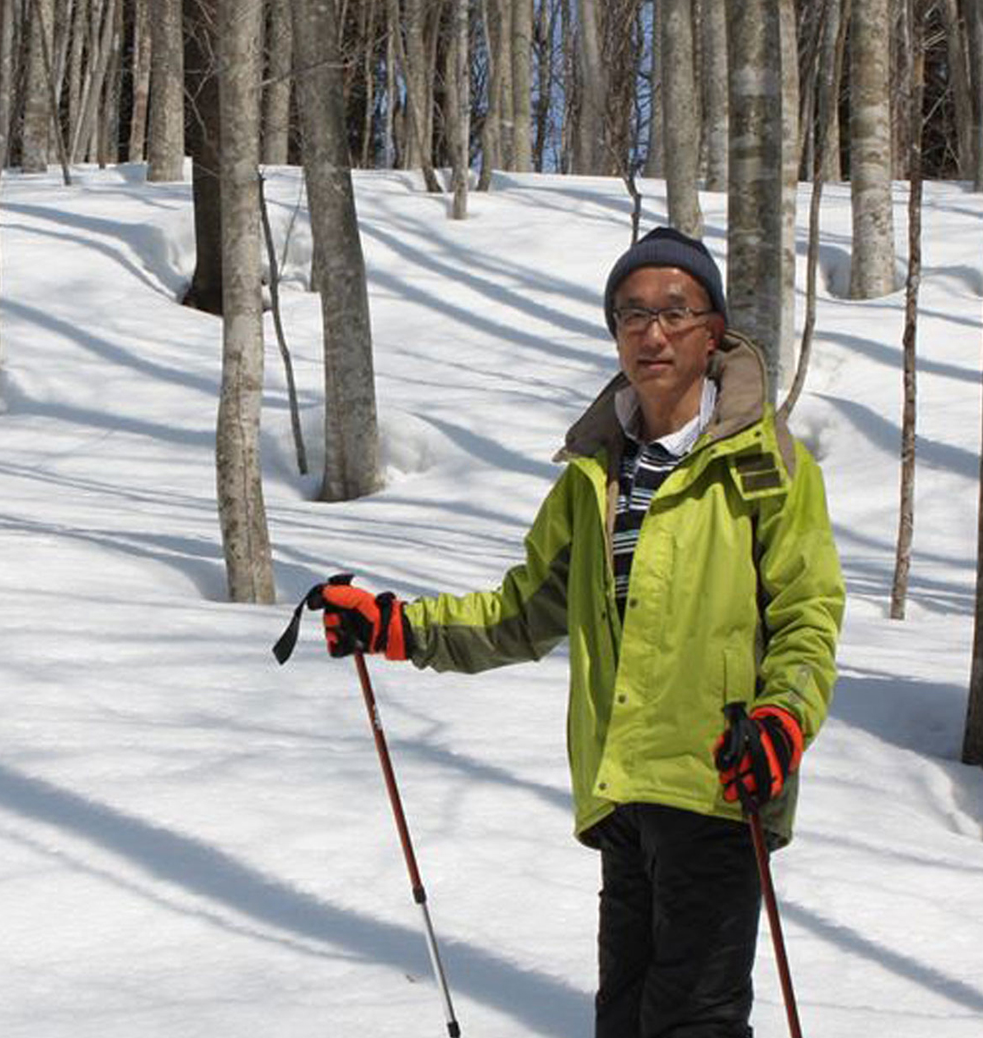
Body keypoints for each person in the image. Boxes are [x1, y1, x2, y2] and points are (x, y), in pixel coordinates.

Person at [311, 226, 844, 1038]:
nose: (651, 331)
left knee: (692, 1023)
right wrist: (397, 626)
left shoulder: (766, 463)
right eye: (631, 313)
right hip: (622, 792)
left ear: (713, 330)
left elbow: (809, 616)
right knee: (624, 1020)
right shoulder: (595, 474)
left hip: (717, 786)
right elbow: (520, 613)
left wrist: (781, 723)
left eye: (674, 310)